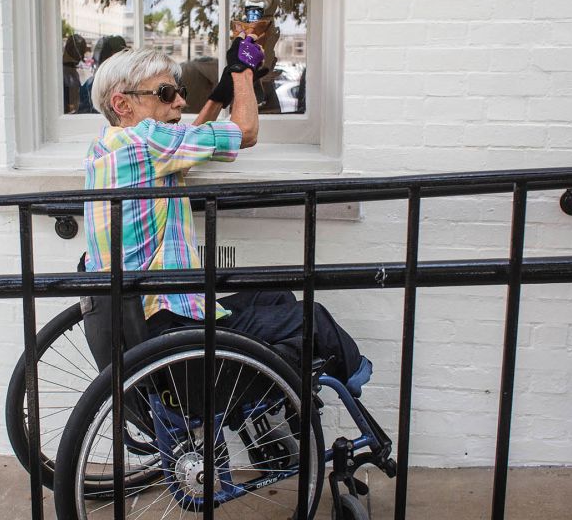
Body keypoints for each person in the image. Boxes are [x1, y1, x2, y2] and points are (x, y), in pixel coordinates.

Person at [82, 41, 371, 395]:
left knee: (274, 295)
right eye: (165, 92)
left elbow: (188, 139)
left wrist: (219, 95)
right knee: (314, 319)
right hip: (169, 322)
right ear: (122, 104)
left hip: (139, 323)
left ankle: (280, 402)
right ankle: (356, 385)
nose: (180, 101)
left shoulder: (109, 147)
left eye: (180, 92)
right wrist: (245, 72)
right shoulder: (147, 142)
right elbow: (245, 132)